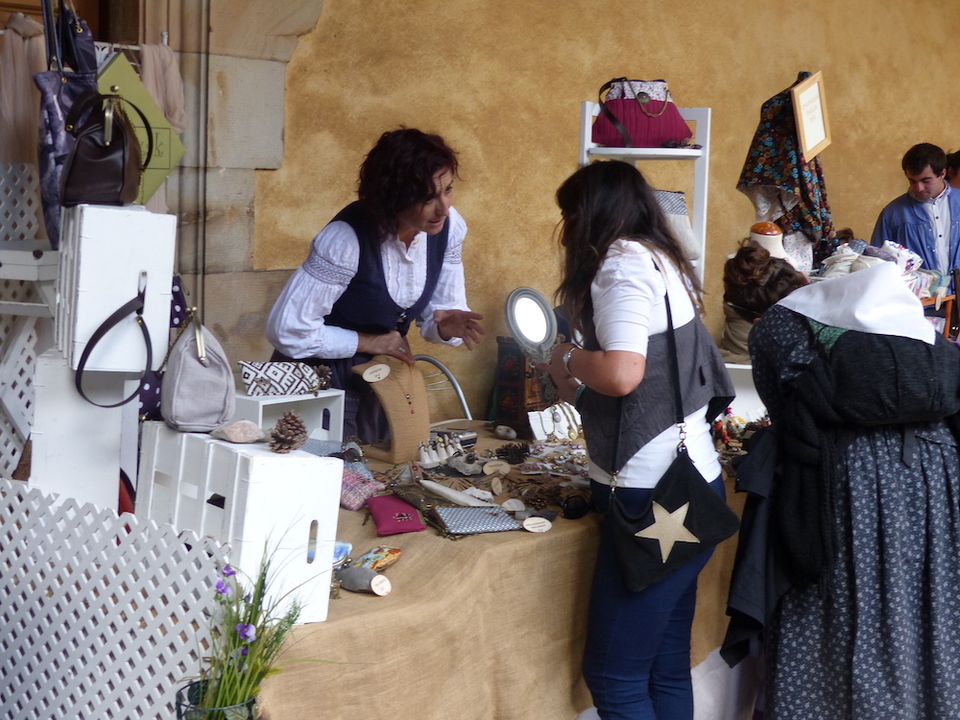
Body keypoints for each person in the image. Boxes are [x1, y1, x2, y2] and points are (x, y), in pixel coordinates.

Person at [723, 249, 960, 720]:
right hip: (937, 472)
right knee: (926, 605)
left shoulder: (777, 327)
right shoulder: (890, 310)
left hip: (852, 478)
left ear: (742, 310)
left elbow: (785, 411)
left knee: (844, 609)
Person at [537, 160, 733, 720]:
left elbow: (623, 373)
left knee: (614, 676)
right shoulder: (662, 258)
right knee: (664, 664)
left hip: (650, 496)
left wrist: (567, 358)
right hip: (692, 482)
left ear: (588, 215)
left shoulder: (621, 265)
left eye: (570, 215)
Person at [266, 128, 484, 442]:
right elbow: (287, 329)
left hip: (379, 381)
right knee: (325, 468)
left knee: (379, 466)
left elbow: (437, 315)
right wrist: (368, 342)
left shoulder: (448, 228)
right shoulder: (345, 240)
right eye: (427, 197)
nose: (443, 207)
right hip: (316, 385)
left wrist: (446, 326)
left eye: (448, 190)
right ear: (394, 195)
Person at [871, 143, 960, 289]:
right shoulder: (893, 213)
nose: (919, 188)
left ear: (942, 174)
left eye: (926, 180)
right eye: (912, 181)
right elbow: (877, 262)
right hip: (917, 298)